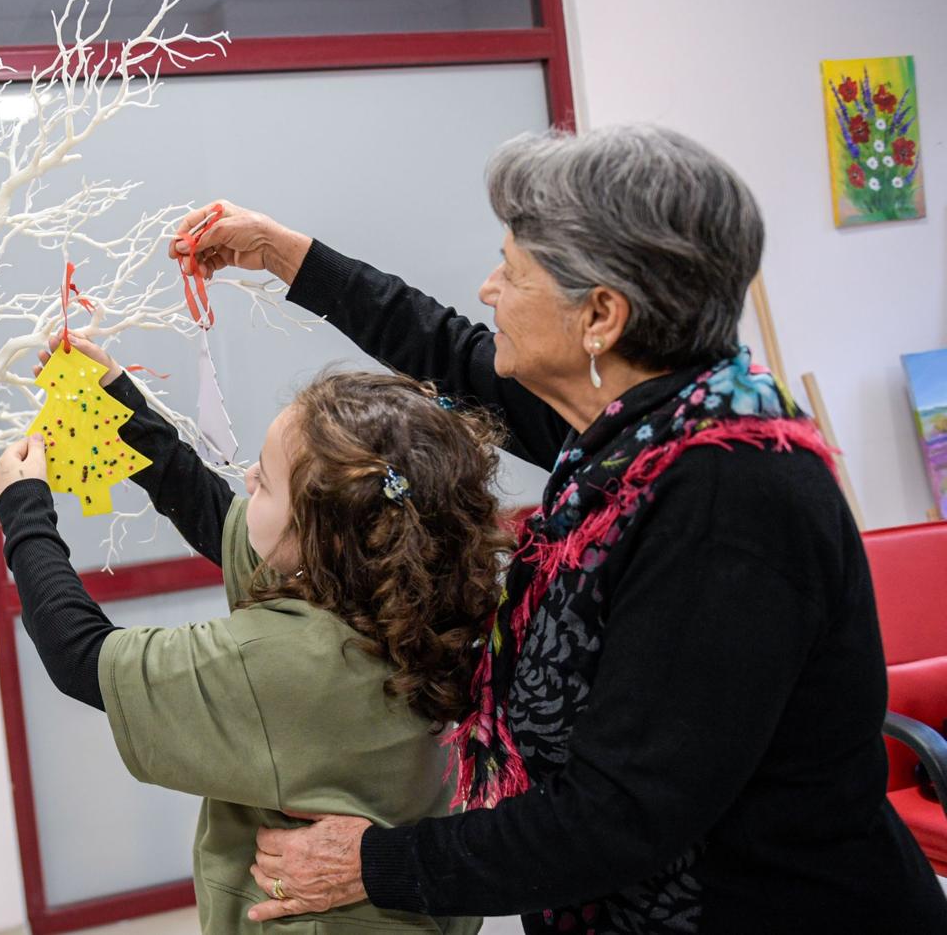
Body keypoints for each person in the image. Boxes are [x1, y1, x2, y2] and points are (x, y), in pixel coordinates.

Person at [169, 124, 947, 934]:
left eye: (512, 271)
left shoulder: (728, 502)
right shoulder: (642, 425)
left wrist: (379, 864)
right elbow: (452, 353)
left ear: (601, 316)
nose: (487, 289)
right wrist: (284, 254)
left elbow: (621, 812)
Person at [0, 334, 508, 934]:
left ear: (317, 538)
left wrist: (23, 508)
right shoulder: (409, 592)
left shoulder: (289, 664)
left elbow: (78, 654)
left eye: (263, 482)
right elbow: (218, 516)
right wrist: (121, 407)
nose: (245, 477)